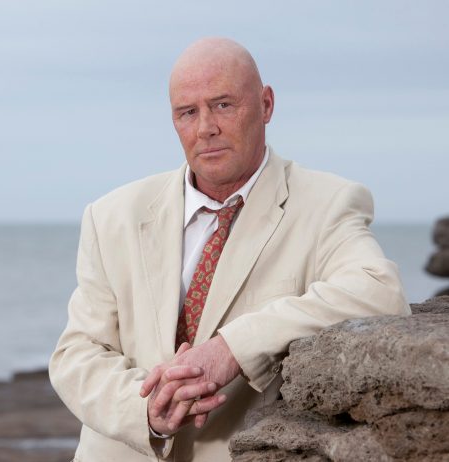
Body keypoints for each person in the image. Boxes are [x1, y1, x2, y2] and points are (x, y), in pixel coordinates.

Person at [49, 37, 410, 461]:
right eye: (188, 112)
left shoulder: (327, 202)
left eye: (223, 105)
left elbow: (379, 291)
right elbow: (77, 352)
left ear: (266, 105)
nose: (206, 128)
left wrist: (231, 349)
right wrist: (144, 409)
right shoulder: (111, 215)